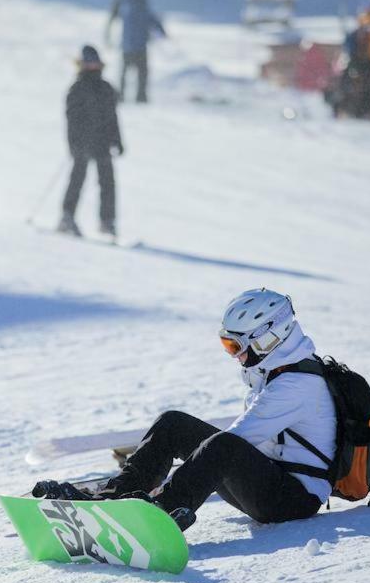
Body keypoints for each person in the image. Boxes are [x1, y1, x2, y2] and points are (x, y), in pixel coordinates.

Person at [34, 288, 336, 532]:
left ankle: (160, 513)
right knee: (173, 423)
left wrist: (175, 483)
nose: (235, 355)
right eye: (228, 345)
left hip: (291, 499)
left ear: (270, 337)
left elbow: (235, 442)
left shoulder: (296, 385)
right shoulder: (275, 371)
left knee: (225, 445)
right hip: (266, 481)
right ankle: (112, 498)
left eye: (237, 346)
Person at [58, 45, 123, 238]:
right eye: (89, 62)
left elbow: (113, 117)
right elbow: (71, 119)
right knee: (78, 178)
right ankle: (67, 217)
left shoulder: (106, 88)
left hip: (102, 142)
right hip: (83, 143)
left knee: (107, 182)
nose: (93, 65)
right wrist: (74, 143)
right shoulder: (77, 89)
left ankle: (107, 221)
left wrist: (117, 140)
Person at [106, 0, 166, 103]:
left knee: (141, 73)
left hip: (139, 44)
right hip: (130, 44)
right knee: (126, 72)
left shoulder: (140, 1)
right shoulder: (128, 1)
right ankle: (124, 97)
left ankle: (140, 97)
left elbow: (150, 18)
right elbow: (148, 18)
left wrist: (161, 30)